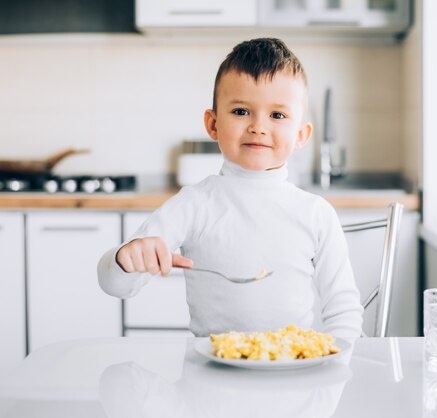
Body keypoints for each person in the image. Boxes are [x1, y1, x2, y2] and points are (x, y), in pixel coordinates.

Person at [97, 38, 363, 339]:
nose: (258, 127)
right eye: (240, 111)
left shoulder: (316, 213)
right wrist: (127, 258)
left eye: (277, 115)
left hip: (292, 375)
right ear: (212, 124)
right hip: (209, 376)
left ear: (301, 135)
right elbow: (113, 284)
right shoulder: (193, 204)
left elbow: (343, 309)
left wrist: (339, 360)